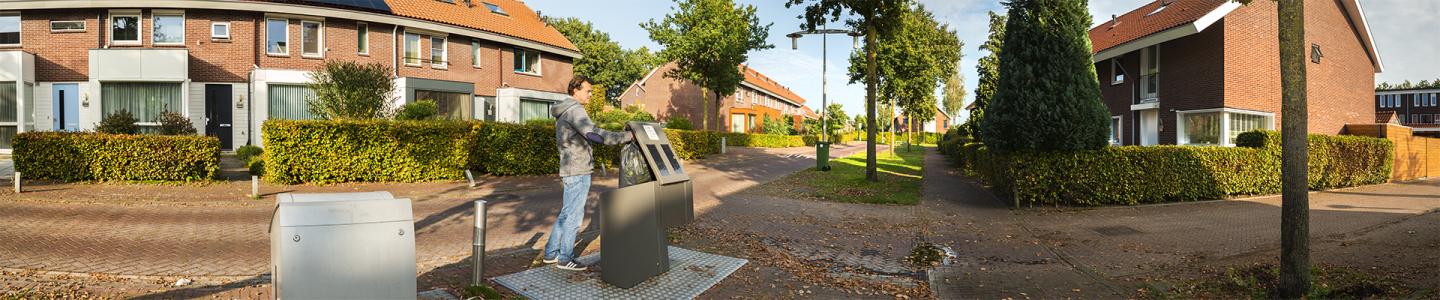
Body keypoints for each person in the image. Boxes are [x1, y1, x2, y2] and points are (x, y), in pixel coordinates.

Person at [542, 76, 633, 271]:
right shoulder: (575, 110)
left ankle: (551, 253)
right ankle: (565, 258)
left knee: (567, 213)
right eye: (588, 91)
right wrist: (627, 136)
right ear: (575, 91)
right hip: (577, 170)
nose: (591, 94)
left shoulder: (564, 110)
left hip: (570, 168)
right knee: (574, 215)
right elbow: (594, 134)